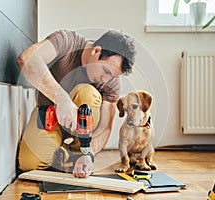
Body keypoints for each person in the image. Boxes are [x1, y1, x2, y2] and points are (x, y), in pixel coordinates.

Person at [17, 29, 136, 178]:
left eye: (112, 75)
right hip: (49, 113)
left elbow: (105, 128)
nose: (105, 79)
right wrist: (61, 99)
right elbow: (27, 59)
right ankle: (63, 154)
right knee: (29, 163)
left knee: (87, 93)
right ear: (96, 51)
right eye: (106, 70)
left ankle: (79, 154)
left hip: (82, 135)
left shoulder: (111, 81)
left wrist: (90, 154)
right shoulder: (67, 42)